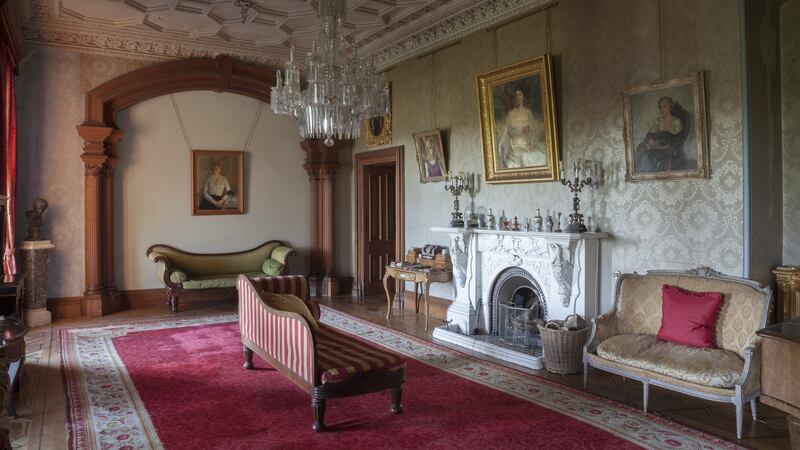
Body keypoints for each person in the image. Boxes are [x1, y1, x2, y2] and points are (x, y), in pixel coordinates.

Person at [634, 96, 691, 173]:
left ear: (670, 107)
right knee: (642, 156)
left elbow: (679, 138)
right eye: (660, 107)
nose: (661, 109)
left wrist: (662, 147)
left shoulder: (676, 121)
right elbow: (650, 135)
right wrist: (651, 142)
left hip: (668, 150)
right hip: (655, 147)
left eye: (664, 106)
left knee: (646, 157)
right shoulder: (658, 121)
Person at [496, 88, 545, 169]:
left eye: (520, 94)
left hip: (527, 144)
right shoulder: (511, 114)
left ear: (523, 97)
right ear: (514, 98)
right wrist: (500, 143)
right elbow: (506, 130)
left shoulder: (528, 112)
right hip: (514, 147)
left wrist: (528, 129)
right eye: (516, 95)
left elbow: (533, 130)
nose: (518, 97)